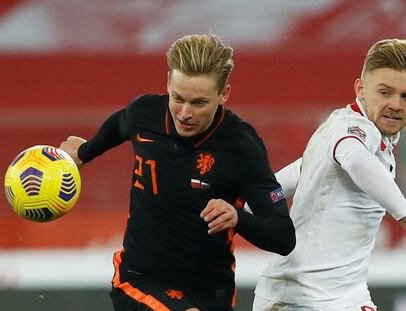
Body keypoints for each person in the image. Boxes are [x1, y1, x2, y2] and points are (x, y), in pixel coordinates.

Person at [60, 33, 295, 311]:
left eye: (198, 103)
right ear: (168, 82)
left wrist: (237, 218)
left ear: (224, 95)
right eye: (177, 98)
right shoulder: (144, 114)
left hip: (211, 295)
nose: (184, 113)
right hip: (138, 282)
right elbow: (120, 125)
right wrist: (85, 153)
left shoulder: (242, 148)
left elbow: (283, 237)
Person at [252, 38, 406, 311]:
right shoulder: (353, 129)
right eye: (385, 92)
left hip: (334, 295)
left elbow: (301, 171)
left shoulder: (356, 136)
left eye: (405, 96)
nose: (395, 104)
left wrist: (250, 200)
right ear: (360, 88)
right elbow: (354, 158)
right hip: (305, 299)